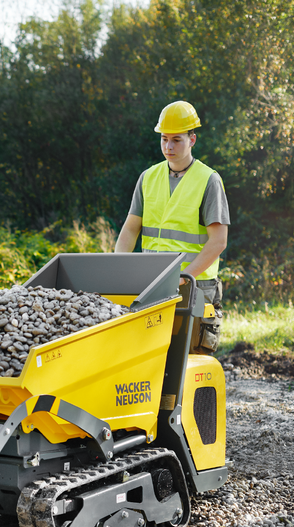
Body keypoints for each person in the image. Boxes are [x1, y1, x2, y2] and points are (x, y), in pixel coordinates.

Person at [114, 100, 230, 353]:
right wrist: (118, 269)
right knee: (151, 361)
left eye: (176, 139)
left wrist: (185, 278)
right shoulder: (148, 177)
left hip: (195, 287)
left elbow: (218, 241)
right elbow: (130, 229)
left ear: (192, 139)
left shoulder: (208, 180)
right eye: (164, 138)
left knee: (189, 359)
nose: (168, 146)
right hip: (152, 285)